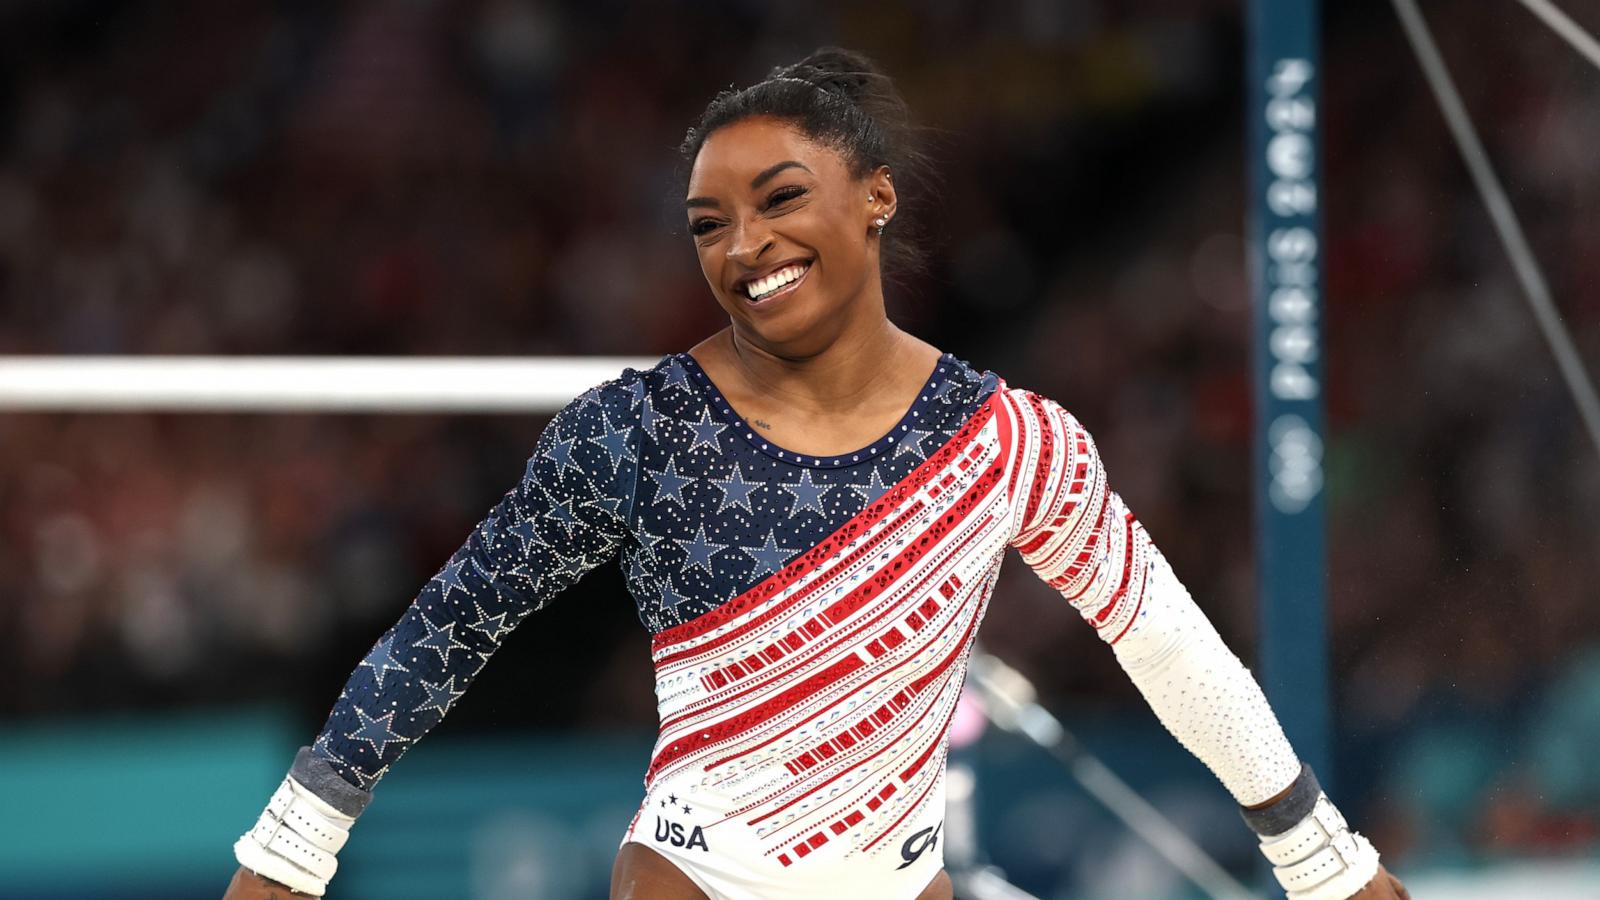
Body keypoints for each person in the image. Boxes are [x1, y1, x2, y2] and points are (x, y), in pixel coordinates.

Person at [224, 48, 1410, 900]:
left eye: (780, 199)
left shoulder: (1008, 442)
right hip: (694, 879)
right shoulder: (635, 431)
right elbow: (450, 624)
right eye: (706, 222)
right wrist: (293, 844)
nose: (743, 245)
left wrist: (1318, 854)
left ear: (876, 197)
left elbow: (1163, 642)